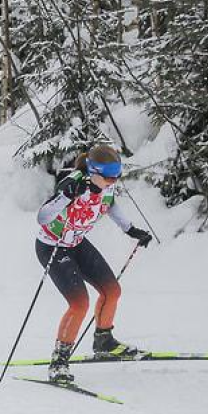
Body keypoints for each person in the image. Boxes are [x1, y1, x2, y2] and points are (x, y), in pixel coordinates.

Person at [36, 143, 154, 383]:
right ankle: (59, 362)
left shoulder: (107, 187)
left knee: (112, 291)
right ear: (93, 171)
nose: (113, 182)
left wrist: (131, 230)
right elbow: (43, 217)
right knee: (79, 304)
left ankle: (104, 341)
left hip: (77, 242)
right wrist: (67, 196)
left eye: (117, 177)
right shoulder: (72, 183)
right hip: (53, 245)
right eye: (109, 177)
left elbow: (109, 205)